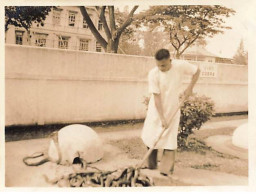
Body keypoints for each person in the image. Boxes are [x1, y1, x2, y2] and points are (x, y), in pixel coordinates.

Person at [141, 49, 200, 176]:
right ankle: (151, 165)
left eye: (163, 65)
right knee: (151, 135)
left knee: (169, 139)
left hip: (173, 106)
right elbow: (156, 97)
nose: (160, 67)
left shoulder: (180, 65)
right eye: (158, 65)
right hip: (156, 109)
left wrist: (190, 88)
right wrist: (162, 118)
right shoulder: (153, 74)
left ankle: (166, 170)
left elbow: (197, 71)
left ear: (170, 60)